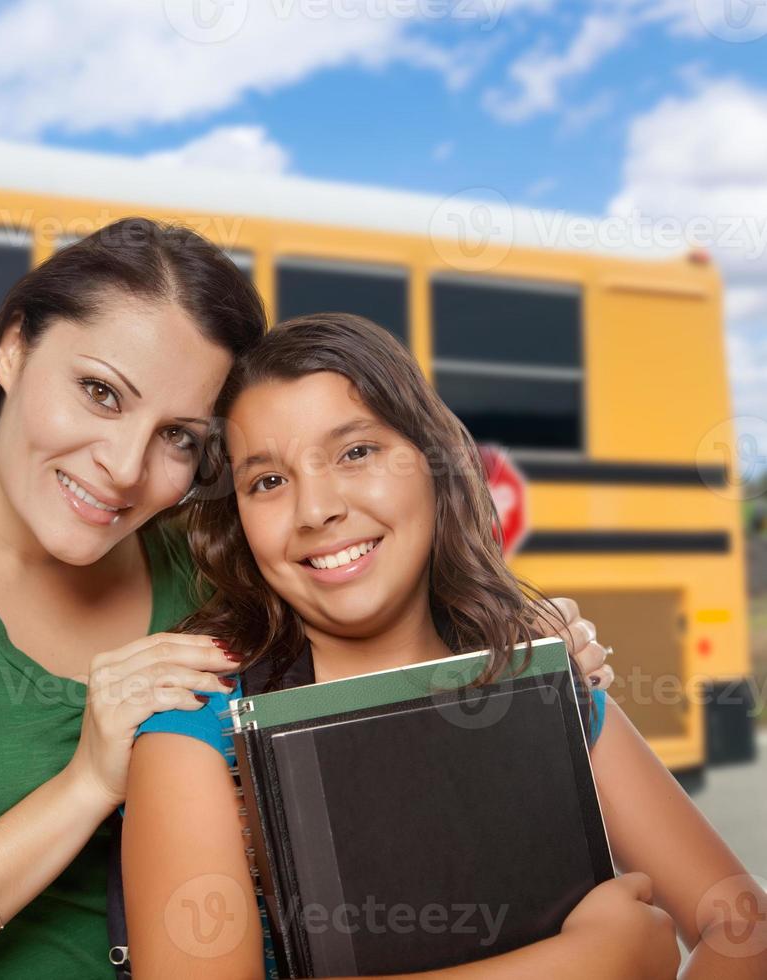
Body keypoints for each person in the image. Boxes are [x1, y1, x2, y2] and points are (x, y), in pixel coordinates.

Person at [0, 220, 615, 979]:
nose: (122, 467)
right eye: (99, 392)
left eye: (177, 438)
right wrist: (84, 786)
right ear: (11, 348)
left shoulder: (209, 567)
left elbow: (386, 704)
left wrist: (518, 655)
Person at [122, 313, 767, 979]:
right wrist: (582, 963)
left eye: (355, 452)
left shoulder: (542, 679)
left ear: (436, 466)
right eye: (267, 481)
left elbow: (744, 929)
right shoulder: (197, 728)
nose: (314, 509)